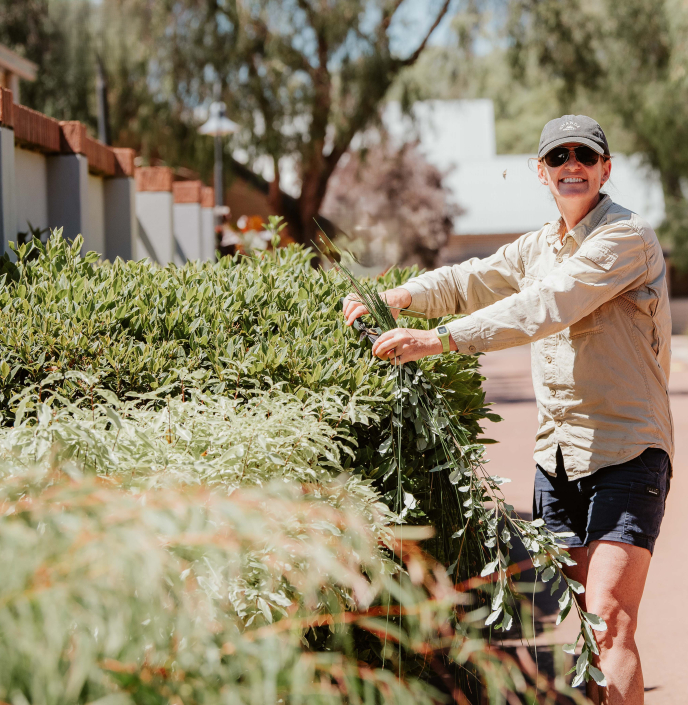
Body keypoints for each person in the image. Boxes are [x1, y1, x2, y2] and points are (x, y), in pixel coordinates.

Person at [342, 115, 673, 705]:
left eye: (584, 155)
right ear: (540, 172)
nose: (572, 164)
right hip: (558, 460)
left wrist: (438, 339)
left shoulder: (627, 237)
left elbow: (546, 305)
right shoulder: (538, 244)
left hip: (628, 453)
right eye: (558, 157)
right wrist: (398, 296)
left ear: (605, 168)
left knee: (611, 623)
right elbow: (471, 278)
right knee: (586, 632)